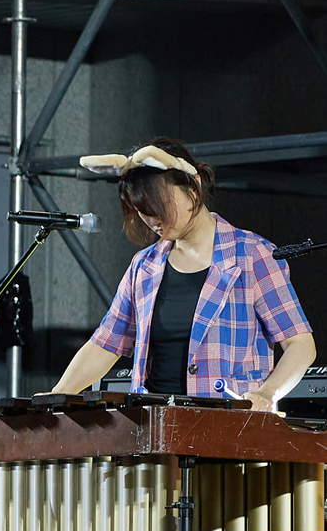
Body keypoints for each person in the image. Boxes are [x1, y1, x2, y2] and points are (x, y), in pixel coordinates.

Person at [48, 138, 315, 408]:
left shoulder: (252, 255)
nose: (153, 221)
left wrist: (268, 393)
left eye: (159, 207)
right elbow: (105, 345)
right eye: (143, 212)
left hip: (229, 428)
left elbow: (300, 344)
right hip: (153, 429)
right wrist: (57, 395)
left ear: (194, 187)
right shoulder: (144, 267)